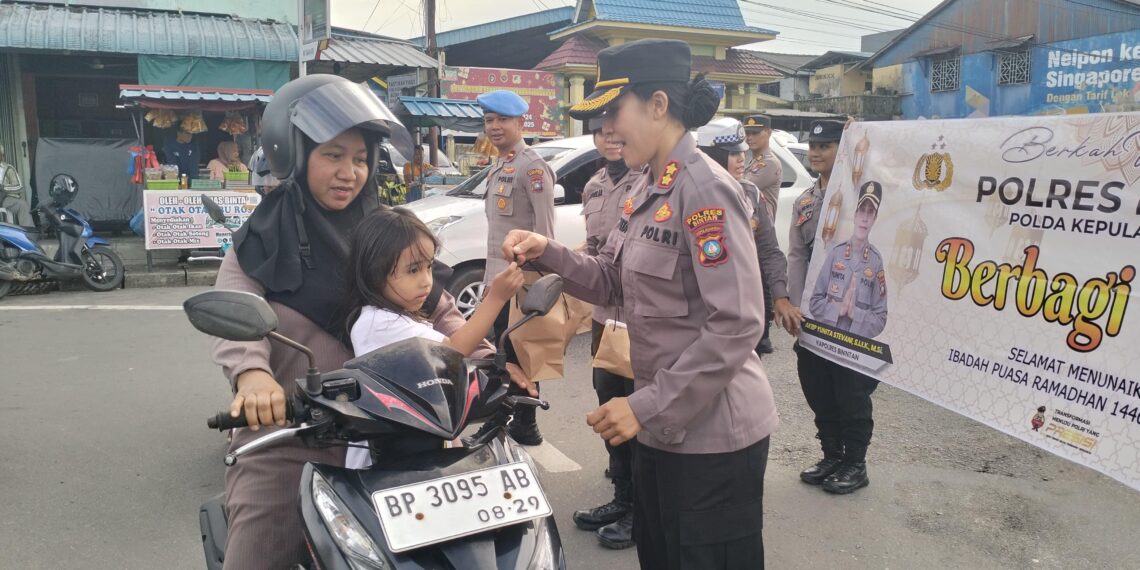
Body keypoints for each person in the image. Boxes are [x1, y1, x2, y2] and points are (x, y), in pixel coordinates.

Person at [206, 74, 531, 569]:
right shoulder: (263, 239)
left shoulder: (383, 227)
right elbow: (234, 300)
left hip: (396, 432)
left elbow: (436, 304)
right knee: (259, 551)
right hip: (297, 435)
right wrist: (252, 375)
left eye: (360, 159)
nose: (349, 172)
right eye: (332, 155)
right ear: (293, 153)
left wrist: (489, 362)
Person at [503, 39, 778, 569]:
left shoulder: (705, 191)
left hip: (711, 436)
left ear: (657, 105)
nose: (606, 128)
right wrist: (551, 253)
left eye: (613, 111)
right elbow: (612, 282)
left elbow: (738, 323)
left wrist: (642, 406)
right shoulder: (646, 185)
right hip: (662, 423)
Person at [343, 207, 526, 469]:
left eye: (429, 267)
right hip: (386, 460)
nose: (426, 281)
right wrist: (496, 298)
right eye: (413, 270)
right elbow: (453, 351)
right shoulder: (379, 323)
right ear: (375, 272)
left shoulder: (396, 315)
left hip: (414, 445)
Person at [787, 118, 880, 495]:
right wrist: (794, 305)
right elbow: (796, 256)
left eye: (825, 146)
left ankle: (855, 462)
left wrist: (862, 137)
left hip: (852, 316)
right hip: (815, 312)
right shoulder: (805, 202)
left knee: (851, 389)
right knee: (817, 385)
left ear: (840, 151)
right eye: (812, 145)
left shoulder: (863, 199)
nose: (815, 152)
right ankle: (831, 454)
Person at [463, 89, 556, 447]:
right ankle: (508, 420)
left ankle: (522, 423)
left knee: (520, 353)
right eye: (489, 120)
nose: (494, 127)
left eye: (502, 120)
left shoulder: (532, 168)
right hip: (499, 279)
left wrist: (534, 283)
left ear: (521, 123)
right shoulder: (500, 165)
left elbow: (545, 234)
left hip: (521, 281)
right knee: (501, 354)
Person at [571, 115, 646, 551]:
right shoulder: (594, 184)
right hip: (605, 319)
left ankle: (643, 509)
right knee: (608, 404)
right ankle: (622, 496)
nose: (611, 137)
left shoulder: (650, 182)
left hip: (640, 321)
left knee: (637, 411)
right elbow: (597, 250)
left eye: (617, 129)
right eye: (602, 132)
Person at [695, 118, 802, 354]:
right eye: (732, 154)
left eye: (742, 152)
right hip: (701, 311)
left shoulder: (751, 194)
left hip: (743, 305)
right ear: (710, 156)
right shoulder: (691, 196)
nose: (742, 158)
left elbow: (769, 250)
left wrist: (780, 296)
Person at [809, 180, 888, 338]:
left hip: (853, 352)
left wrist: (855, 313)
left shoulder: (876, 261)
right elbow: (814, 302)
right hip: (825, 342)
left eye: (870, 212)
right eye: (862, 210)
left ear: (875, 218)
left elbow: (880, 319)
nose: (865, 218)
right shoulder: (835, 253)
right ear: (855, 215)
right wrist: (838, 309)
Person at [742, 114, 783, 355]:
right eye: (748, 132)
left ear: (768, 132)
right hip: (750, 227)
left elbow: (741, 185)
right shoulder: (753, 160)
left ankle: (764, 335)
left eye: (756, 132)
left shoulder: (769, 163)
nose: (750, 137)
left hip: (760, 230)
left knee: (761, 280)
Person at [0, 145, 32, 227]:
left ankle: (27, 234)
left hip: (3, 199)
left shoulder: (8, 168)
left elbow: (18, 186)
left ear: (2, 155)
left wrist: (3, 187)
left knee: (22, 205)